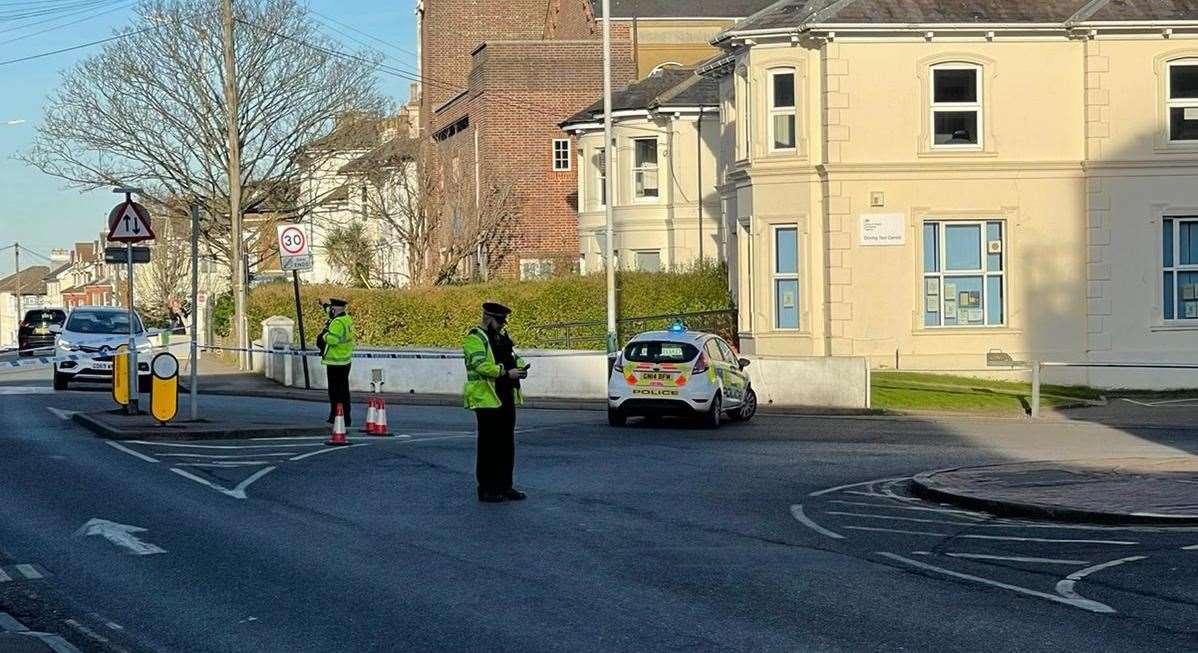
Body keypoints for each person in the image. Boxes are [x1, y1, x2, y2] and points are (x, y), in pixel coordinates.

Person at [463, 302, 529, 503]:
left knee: (506, 444)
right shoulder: (475, 338)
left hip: (505, 396)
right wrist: (504, 372)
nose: (502, 325)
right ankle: (487, 489)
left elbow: (512, 357)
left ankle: (505, 486)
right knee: (489, 446)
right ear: (488, 318)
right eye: (499, 321)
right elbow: (480, 364)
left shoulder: (501, 338)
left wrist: (520, 368)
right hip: (486, 399)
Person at [318, 298, 354, 426]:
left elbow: (333, 340)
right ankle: (345, 417)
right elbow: (329, 311)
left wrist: (323, 335)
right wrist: (324, 304)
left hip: (335, 362)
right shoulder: (346, 318)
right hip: (345, 361)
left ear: (336, 309)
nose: (330, 310)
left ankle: (336, 416)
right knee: (344, 391)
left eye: (332, 308)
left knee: (335, 392)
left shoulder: (337, 322)